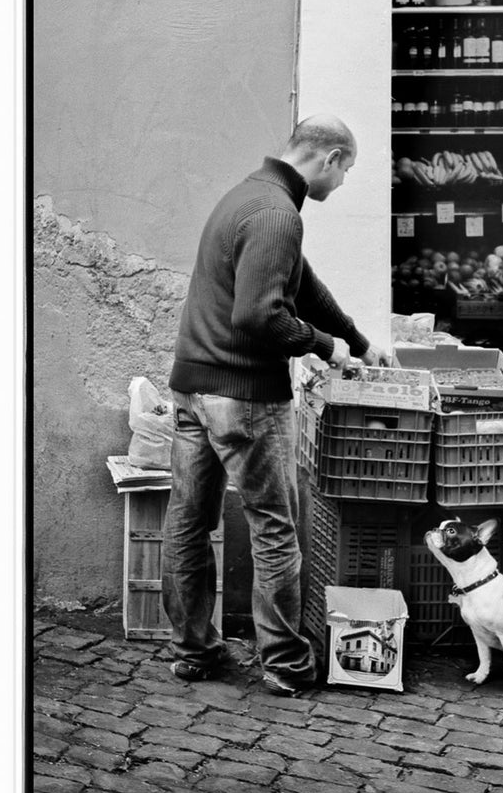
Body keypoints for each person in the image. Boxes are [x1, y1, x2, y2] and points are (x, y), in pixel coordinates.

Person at [164, 115, 391, 696]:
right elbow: (259, 316)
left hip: (193, 387)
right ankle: (286, 663)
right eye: (347, 173)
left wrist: (359, 343)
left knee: (190, 523)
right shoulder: (276, 215)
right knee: (274, 529)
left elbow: (305, 289)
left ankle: (193, 652)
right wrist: (325, 347)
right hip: (244, 396)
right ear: (332, 157)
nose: (341, 186)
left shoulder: (251, 196)